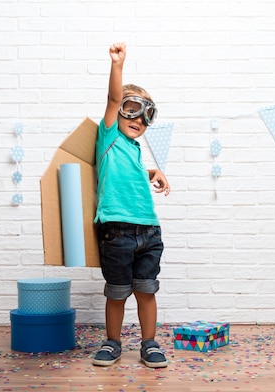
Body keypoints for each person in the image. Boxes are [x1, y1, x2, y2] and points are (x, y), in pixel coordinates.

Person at [91, 42, 171, 368]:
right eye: (131, 109)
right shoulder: (108, 136)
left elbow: (131, 174)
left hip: (149, 230)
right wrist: (118, 66)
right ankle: (112, 343)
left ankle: (149, 343)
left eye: (145, 115)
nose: (138, 119)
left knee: (147, 290)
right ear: (119, 111)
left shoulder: (135, 151)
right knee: (117, 291)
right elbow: (112, 98)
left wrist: (154, 171)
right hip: (117, 231)